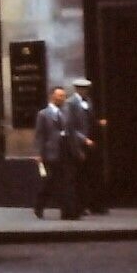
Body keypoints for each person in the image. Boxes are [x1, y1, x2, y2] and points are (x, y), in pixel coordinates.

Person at [33, 86, 80, 220]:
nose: (63, 98)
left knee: (67, 181)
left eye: (64, 96)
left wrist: (76, 150)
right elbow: (40, 135)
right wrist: (38, 153)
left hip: (66, 150)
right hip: (51, 152)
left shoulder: (67, 112)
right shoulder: (43, 114)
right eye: (60, 96)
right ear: (52, 97)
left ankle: (68, 212)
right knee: (50, 181)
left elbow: (72, 132)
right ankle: (39, 205)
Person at [66, 78, 108, 215]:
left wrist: (97, 123)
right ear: (77, 89)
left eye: (86, 89)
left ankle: (93, 204)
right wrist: (84, 140)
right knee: (79, 176)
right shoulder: (70, 103)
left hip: (91, 142)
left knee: (91, 174)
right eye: (82, 89)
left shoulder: (88, 101)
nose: (85, 91)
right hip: (79, 144)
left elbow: (89, 120)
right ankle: (79, 205)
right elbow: (71, 127)